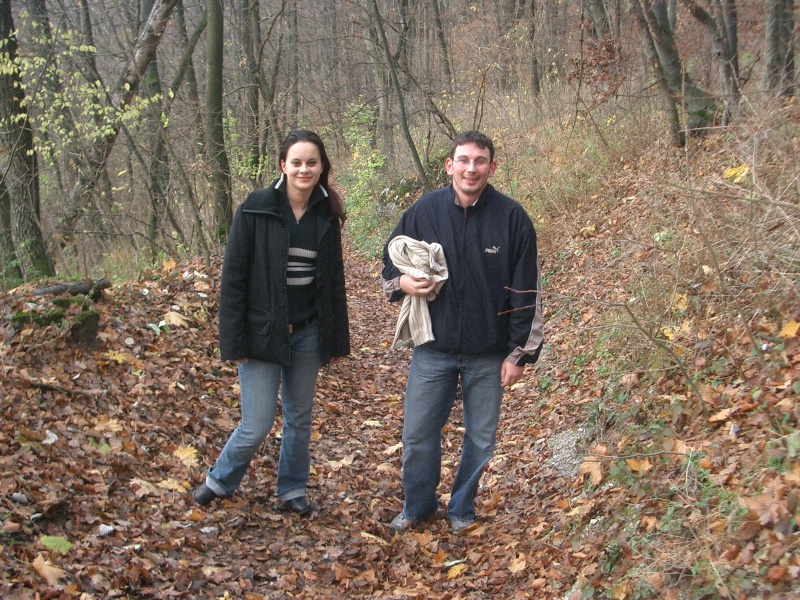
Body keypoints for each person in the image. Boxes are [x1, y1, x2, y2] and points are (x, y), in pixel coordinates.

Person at [381, 130, 543, 534]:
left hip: (488, 353)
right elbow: (390, 260)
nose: (472, 168)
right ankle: (418, 507)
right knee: (417, 435)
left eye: (480, 161)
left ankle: (461, 508)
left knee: (481, 439)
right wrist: (403, 283)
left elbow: (527, 292)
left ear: (492, 167)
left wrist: (519, 354)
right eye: (464, 160)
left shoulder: (512, 219)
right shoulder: (425, 211)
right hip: (432, 347)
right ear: (450, 165)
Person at [193, 130, 350, 516]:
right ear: (283, 165)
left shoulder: (326, 213)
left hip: (308, 332)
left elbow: (332, 281)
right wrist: (234, 342)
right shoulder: (257, 207)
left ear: (322, 167)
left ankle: (292, 489)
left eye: (311, 162)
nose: (304, 169)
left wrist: (335, 340)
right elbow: (234, 278)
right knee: (257, 422)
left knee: (299, 417)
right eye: (296, 162)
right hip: (261, 333)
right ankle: (220, 480)